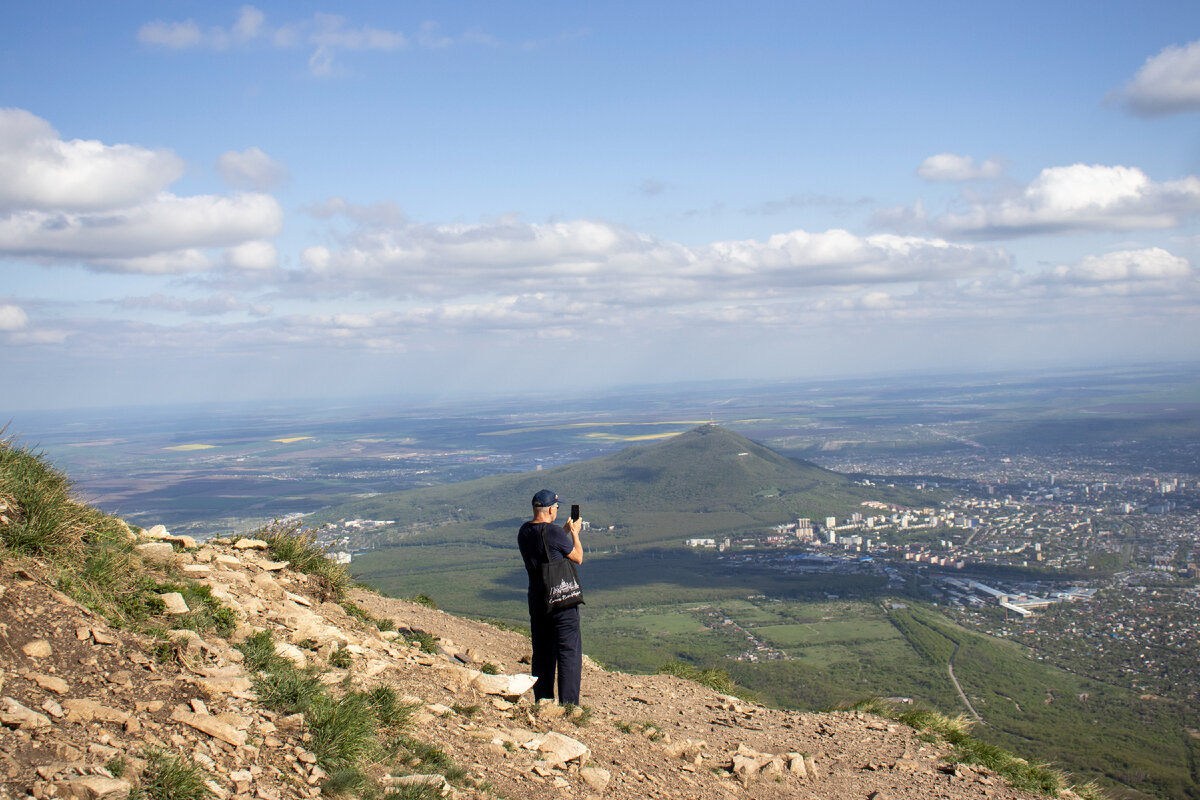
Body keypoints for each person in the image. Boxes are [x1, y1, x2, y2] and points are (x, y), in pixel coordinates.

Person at [517, 488, 583, 705]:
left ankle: (543, 700)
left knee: (542, 652)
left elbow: (548, 546)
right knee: (568, 651)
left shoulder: (524, 531)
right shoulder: (554, 532)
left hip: (538, 600)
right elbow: (577, 557)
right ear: (550, 510)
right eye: (556, 507)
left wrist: (562, 530)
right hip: (561, 601)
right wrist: (574, 533)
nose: (557, 510)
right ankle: (569, 705)